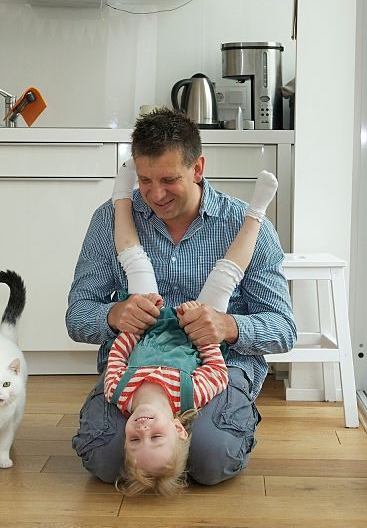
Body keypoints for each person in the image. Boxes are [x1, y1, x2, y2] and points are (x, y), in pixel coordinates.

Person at [67, 108, 297, 486]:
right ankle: (169, 448)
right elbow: (77, 315)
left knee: (211, 460)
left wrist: (226, 326)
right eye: (144, 180)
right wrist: (115, 315)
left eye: (169, 179)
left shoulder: (244, 226)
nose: (156, 194)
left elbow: (284, 329)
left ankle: (192, 442)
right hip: (135, 373)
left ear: (198, 167)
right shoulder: (109, 221)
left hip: (217, 368)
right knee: (107, 461)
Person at [104, 159, 280, 495]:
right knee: (226, 275)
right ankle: (257, 213)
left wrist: (132, 325)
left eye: (134, 438)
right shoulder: (188, 395)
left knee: (133, 260)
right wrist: (207, 331)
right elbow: (216, 371)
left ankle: (120, 199)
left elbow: (118, 354)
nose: (143, 428)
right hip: (196, 328)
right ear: (178, 429)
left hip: (149, 324)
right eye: (156, 436)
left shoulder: (119, 392)